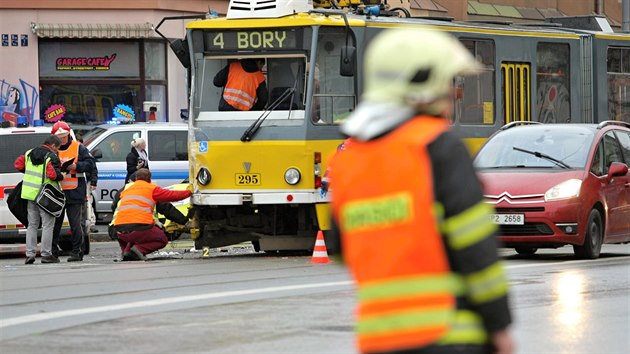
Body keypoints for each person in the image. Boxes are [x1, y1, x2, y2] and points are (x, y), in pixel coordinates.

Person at [328, 28, 513, 354]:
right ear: (422, 84)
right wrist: (499, 326)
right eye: (446, 83)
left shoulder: (348, 159)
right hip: (448, 335)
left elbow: (341, 248)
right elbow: (477, 249)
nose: (450, 94)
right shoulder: (436, 147)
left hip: (378, 341)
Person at [112, 168, 191, 261]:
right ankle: (138, 250)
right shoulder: (152, 188)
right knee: (162, 239)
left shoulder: (125, 190)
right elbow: (172, 196)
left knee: (133, 235)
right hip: (139, 228)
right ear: (149, 179)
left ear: (136, 178)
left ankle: (126, 252)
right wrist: (189, 192)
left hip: (118, 231)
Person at [14, 135, 64, 264]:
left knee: (32, 225)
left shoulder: (29, 153)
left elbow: (18, 165)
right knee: (48, 225)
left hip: (30, 194)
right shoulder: (50, 157)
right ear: (53, 146)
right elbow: (52, 175)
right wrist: (61, 175)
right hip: (45, 195)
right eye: (57, 148)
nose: (57, 151)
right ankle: (46, 254)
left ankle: (30, 254)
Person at [50, 120, 96, 262]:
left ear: (69, 134)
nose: (62, 140)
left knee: (76, 225)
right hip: (57, 192)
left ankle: (77, 252)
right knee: (54, 225)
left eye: (64, 136)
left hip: (75, 192)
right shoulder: (52, 149)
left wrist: (75, 166)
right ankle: (53, 251)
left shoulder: (79, 148)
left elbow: (91, 164)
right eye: (59, 138)